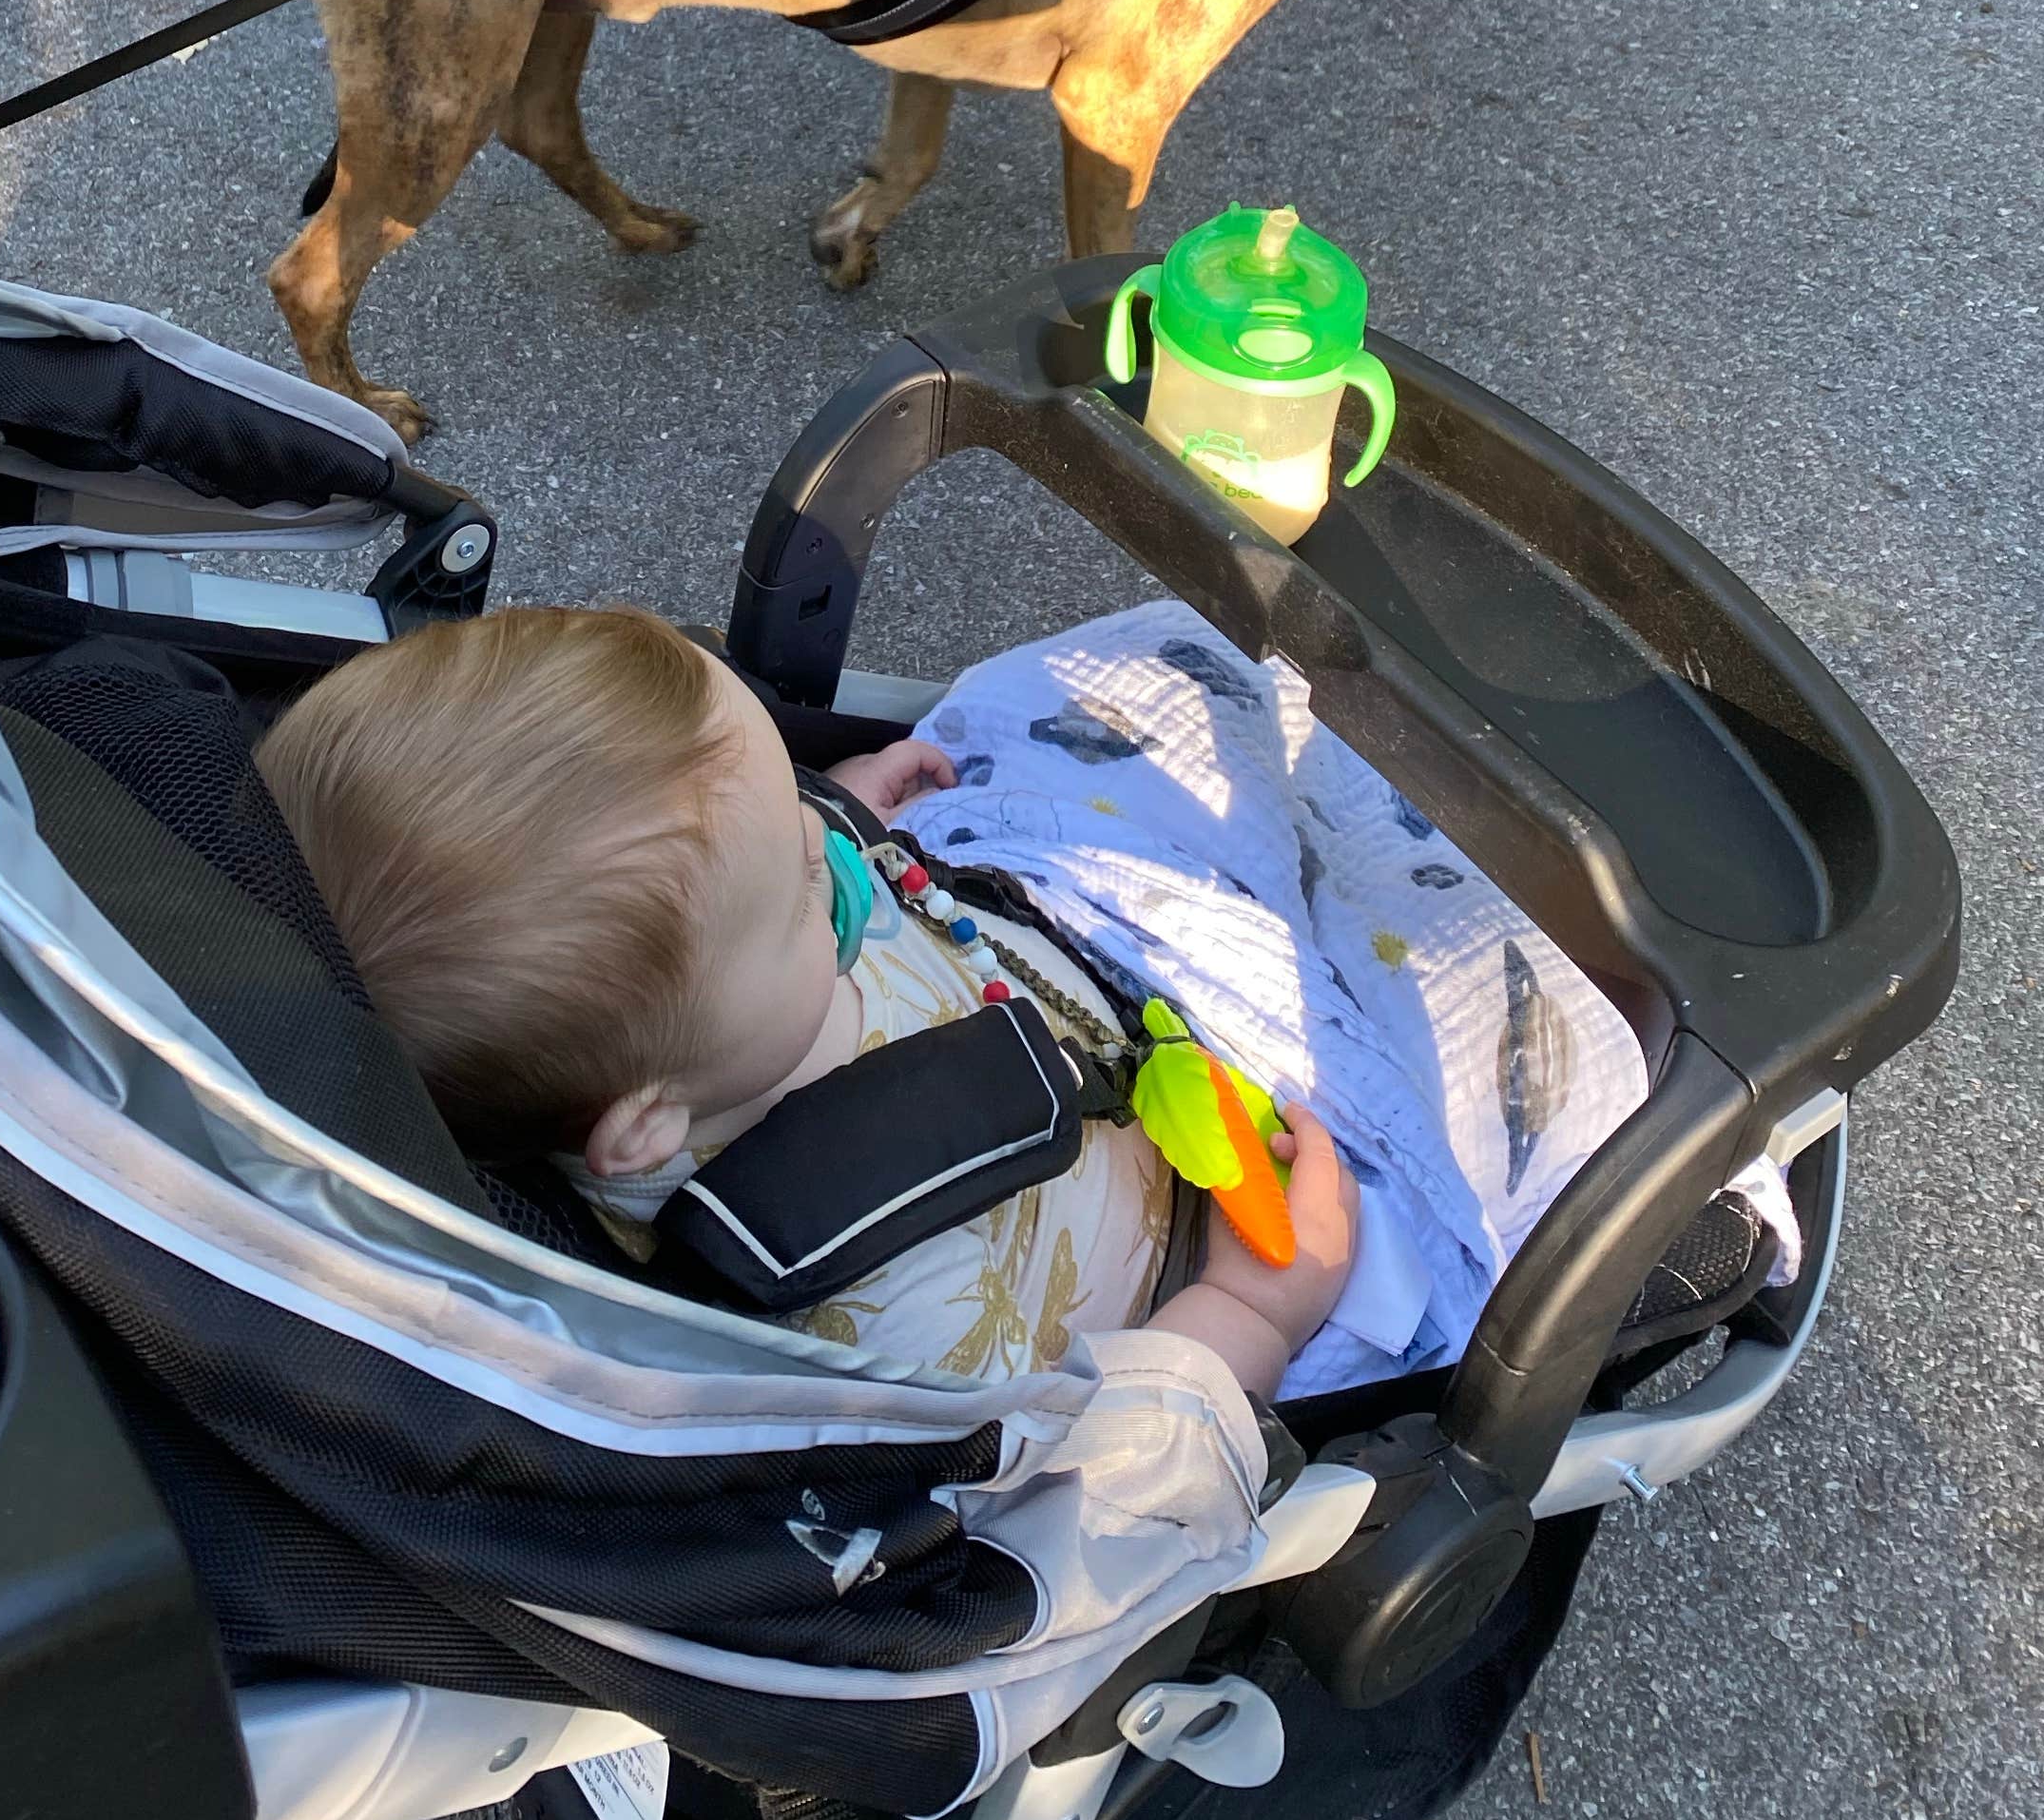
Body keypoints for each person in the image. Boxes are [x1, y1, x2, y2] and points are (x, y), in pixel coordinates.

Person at [259, 604, 1358, 1410]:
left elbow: (749, 872)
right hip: (1193, 1255)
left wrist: (836, 806)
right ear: (646, 1128)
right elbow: (1088, 1486)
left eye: (794, 790)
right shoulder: (881, 1312)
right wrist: (1251, 1313)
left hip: (1066, 990)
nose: (827, 848)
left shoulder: (699, 1014)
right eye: (795, 887)